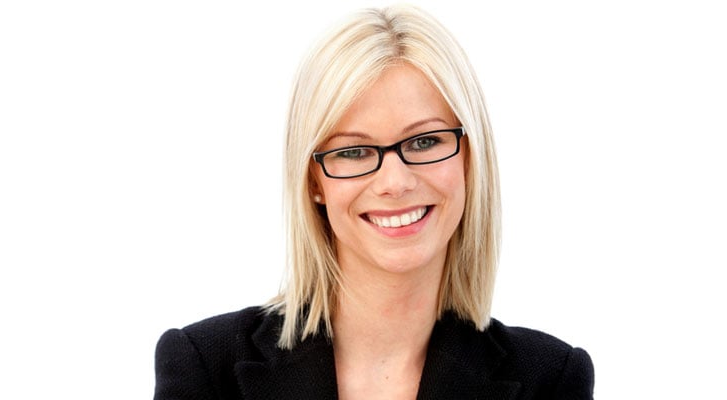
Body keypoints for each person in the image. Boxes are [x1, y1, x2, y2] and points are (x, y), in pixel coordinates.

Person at [154, 4, 594, 399]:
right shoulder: (205, 369)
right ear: (313, 180)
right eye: (353, 151)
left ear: (469, 159)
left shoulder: (551, 380)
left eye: (424, 141)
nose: (395, 182)